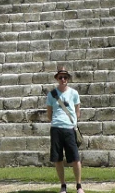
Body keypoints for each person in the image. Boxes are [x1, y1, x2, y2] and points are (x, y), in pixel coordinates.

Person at [46, 65, 84, 193]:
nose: (63, 79)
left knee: (75, 158)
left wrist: (71, 122)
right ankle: (63, 185)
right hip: (56, 128)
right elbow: (49, 114)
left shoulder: (74, 93)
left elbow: (77, 112)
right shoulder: (52, 94)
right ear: (57, 78)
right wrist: (58, 121)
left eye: (65, 77)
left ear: (68, 78)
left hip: (69, 128)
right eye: (61, 77)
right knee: (57, 159)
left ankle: (79, 185)